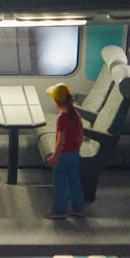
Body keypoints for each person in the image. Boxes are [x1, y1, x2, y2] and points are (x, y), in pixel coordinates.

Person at [44, 82, 86, 219]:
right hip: (74, 154)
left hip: (63, 156)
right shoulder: (76, 115)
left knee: (60, 183)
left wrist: (55, 156)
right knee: (74, 182)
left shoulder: (62, 118)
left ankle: (60, 210)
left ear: (56, 102)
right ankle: (78, 208)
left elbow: (61, 140)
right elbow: (79, 136)